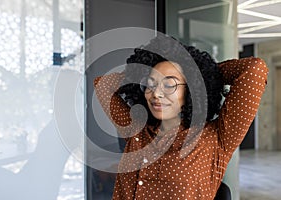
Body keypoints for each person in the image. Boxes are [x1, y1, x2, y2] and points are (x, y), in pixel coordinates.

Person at [94, 35, 268, 200]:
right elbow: (102, 85)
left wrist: (204, 74)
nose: (156, 93)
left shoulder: (216, 138)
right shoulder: (136, 130)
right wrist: (137, 74)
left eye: (169, 84)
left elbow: (255, 70)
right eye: (150, 84)